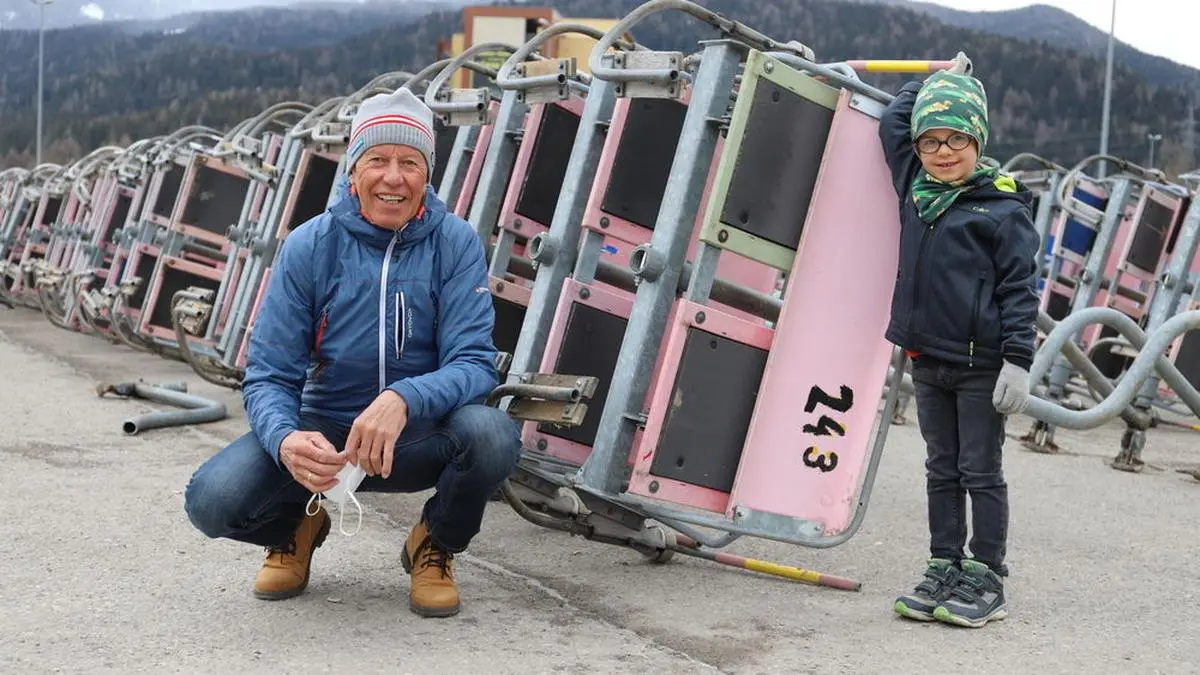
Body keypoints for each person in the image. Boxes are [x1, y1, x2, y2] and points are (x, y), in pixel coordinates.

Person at [183, 88, 522, 619]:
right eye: (378, 160)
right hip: (327, 437)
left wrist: (404, 398)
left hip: (418, 435)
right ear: (353, 170)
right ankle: (294, 526)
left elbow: (475, 363)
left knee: (493, 435)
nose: (394, 177)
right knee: (211, 500)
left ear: (428, 174)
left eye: (410, 162)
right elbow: (268, 375)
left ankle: (434, 544)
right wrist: (287, 440)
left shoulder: (455, 243)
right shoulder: (309, 245)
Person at [877, 52, 1040, 628]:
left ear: (978, 139)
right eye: (930, 141)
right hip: (928, 358)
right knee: (940, 467)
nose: (942, 152)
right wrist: (939, 79)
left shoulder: (1003, 210)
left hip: (982, 366)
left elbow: (1020, 291)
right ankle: (944, 563)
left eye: (956, 139)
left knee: (980, 470)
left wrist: (1018, 360)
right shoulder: (914, 186)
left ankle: (986, 576)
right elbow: (892, 121)